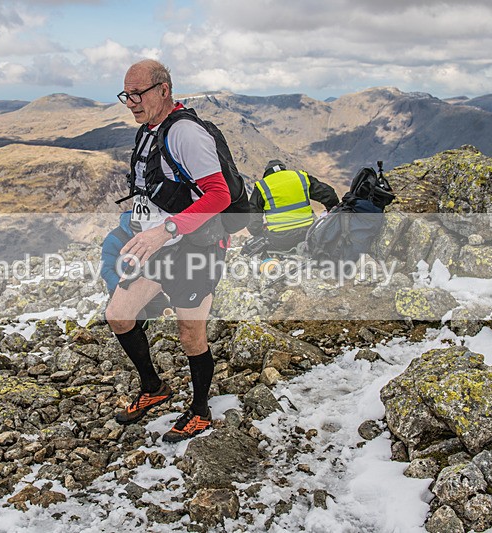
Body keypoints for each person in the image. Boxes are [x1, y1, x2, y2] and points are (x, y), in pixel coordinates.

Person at [105, 59, 230, 443]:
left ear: (164, 89)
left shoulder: (186, 135)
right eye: (126, 95)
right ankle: (154, 387)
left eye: (137, 94)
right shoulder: (149, 131)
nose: (131, 103)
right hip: (157, 246)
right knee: (119, 315)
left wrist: (168, 230)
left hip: (196, 247)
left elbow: (219, 195)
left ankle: (200, 411)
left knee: (190, 333)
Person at [247, 159, 339, 253]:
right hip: (308, 233)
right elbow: (329, 194)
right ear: (284, 169)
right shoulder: (300, 177)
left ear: (267, 173)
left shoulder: (263, 186)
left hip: (280, 239)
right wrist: (330, 215)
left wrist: (258, 233)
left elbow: (252, 218)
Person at [100, 211, 172, 326]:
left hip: (145, 284)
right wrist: (122, 288)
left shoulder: (152, 237)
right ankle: (111, 318)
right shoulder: (114, 238)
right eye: (137, 233)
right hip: (121, 286)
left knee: (166, 311)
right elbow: (106, 270)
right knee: (136, 318)